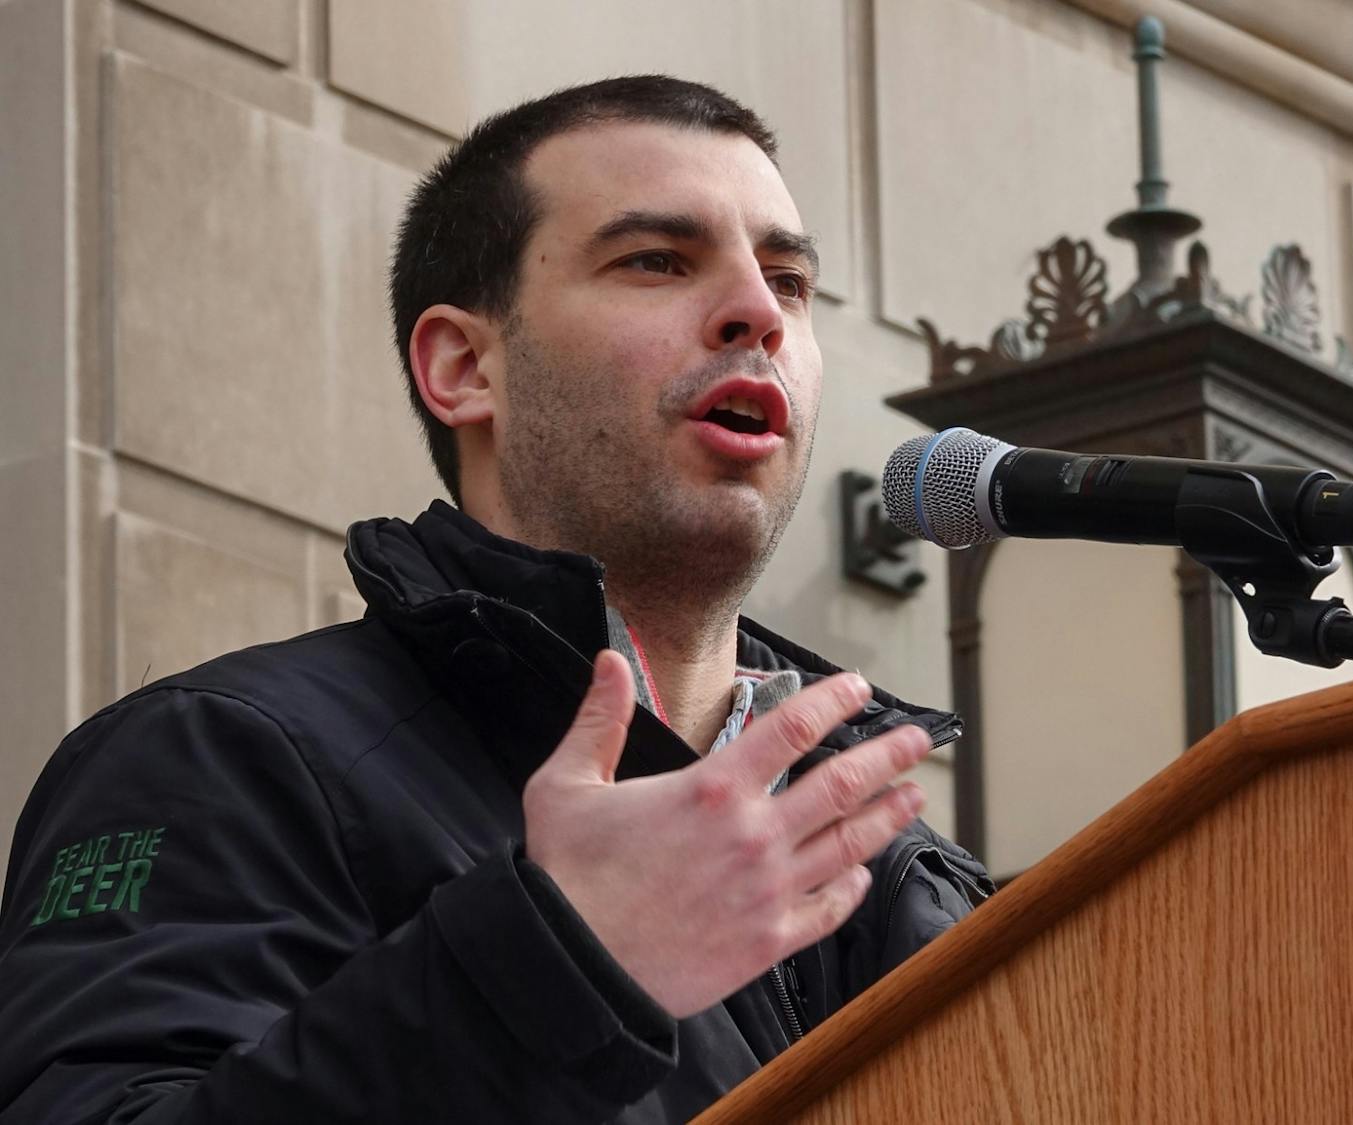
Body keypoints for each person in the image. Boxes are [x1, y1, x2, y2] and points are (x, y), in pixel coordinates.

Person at [0, 76, 991, 1123]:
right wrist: (555, 965)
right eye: (655, 260)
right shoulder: (221, 757)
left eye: (788, 280)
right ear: (465, 366)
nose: (759, 313)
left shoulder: (919, 875)